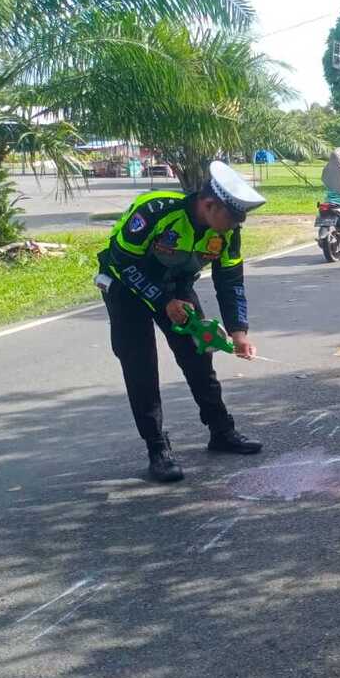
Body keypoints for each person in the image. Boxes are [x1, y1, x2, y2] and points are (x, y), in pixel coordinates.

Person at [96, 161, 266, 482]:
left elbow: (230, 280)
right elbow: (122, 260)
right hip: (126, 286)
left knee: (200, 355)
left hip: (177, 286)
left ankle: (221, 431)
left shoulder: (228, 232)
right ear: (208, 204)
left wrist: (238, 332)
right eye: (229, 219)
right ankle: (157, 448)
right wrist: (162, 301)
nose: (231, 228)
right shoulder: (156, 210)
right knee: (141, 366)